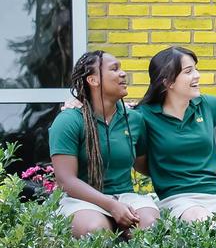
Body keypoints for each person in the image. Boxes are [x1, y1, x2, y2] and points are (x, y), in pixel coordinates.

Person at [132, 46, 216, 225]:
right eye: (188, 71)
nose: (197, 75)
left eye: (195, 68)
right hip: (176, 198)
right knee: (198, 216)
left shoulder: (206, 105)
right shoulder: (143, 116)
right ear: (168, 82)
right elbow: (139, 162)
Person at [50, 51, 159, 238]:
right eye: (114, 69)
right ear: (93, 80)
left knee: (150, 227)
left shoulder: (133, 119)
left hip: (125, 196)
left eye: (121, 68)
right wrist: (111, 206)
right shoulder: (69, 120)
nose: (123, 73)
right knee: (95, 231)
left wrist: (196, 170)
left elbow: (144, 165)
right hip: (81, 200)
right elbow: (65, 180)